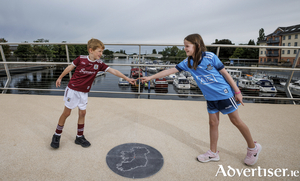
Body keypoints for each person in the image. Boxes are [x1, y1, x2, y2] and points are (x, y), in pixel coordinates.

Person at [139, 34, 262, 166]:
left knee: (236, 121)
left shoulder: (210, 57)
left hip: (224, 94)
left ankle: (253, 148)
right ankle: (213, 153)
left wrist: (237, 92)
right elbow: (170, 70)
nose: (185, 48)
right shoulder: (187, 63)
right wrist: (150, 78)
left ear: (197, 46)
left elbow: (225, 73)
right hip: (210, 98)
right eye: (184, 46)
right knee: (213, 123)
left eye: (187, 46)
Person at [50, 38, 135, 149]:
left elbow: (113, 71)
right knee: (66, 113)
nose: (101, 54)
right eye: (99, 51)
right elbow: (70, 67)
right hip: (73, 90)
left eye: (102, 51)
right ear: (91, 50)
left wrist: (127, 78)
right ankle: (57, 135)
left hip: (84, 92)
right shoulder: (81, 59)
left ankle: (79, 137)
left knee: (82, 113)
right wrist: (60, 77)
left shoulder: (99, 64)